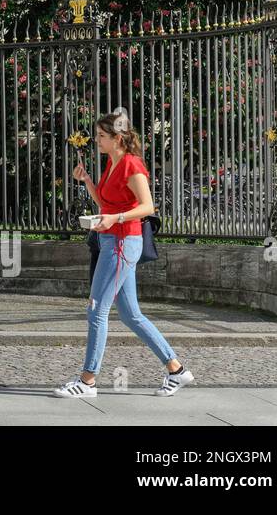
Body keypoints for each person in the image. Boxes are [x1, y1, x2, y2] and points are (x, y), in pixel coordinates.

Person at [54, 108, 195, 398]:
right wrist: (88, 182)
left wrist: (116, 220)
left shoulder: (132, 164)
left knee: (96, 310)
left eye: (102, 136)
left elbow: (147, 207)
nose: (97, 141)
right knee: (131, 315)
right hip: (111, 240)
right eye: (97, 136)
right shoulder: (112, 163)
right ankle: (177, 370)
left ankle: (88, 381)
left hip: (121, 243)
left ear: (118, 138)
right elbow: (107, 204)